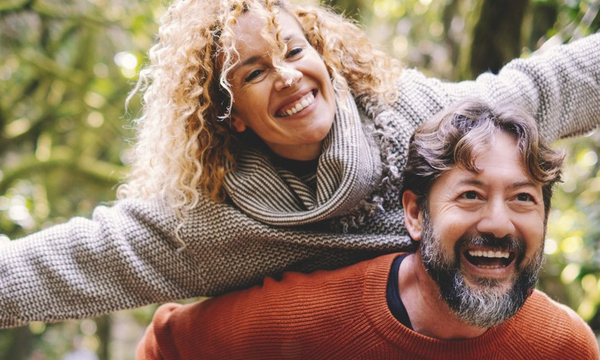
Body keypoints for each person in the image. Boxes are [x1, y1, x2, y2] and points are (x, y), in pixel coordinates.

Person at [1, 0, 600, 328]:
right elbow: (76, 260)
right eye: (253, 72)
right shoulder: (212, 220)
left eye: (294, 49)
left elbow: (549, 86)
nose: (286, 74)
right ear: (229, 111)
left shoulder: (422, 120)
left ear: (327, 58)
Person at [136, 99, 599, 360]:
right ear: (416, 215)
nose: (499, 224)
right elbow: (168, 346)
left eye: (523, 199)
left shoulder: (565, 346)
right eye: (471, 196)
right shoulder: (307, 318)